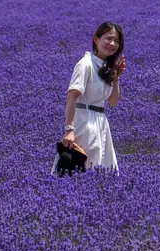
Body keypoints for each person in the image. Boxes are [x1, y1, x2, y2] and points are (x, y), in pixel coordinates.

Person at [51, 22, 126, 176]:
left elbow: (112, 102)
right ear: (96, 39)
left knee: (101, 173)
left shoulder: (105, 68)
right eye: (108, 38)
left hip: (100, 123)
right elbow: (72, 97)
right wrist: (69, 131)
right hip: (84, 122)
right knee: (82, 169)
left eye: (117, 41)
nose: (112, 44)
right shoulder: (85, 64)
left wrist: (116, 77)